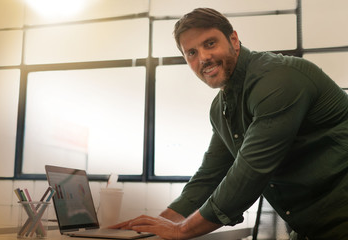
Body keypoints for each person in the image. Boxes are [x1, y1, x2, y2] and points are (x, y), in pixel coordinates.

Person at [111, 8, 348, 240]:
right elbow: (210, 174)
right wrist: (154, 226)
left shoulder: (278, 80)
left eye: (210, 43)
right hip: (310, 228)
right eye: (191, 53)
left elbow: (251, 171)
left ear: (234, 39)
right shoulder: (221, 107)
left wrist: (182, 229)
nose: (203, 57)